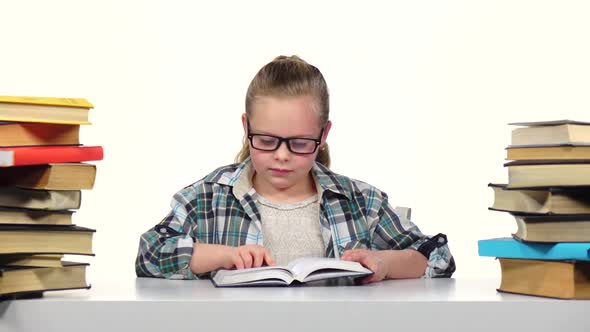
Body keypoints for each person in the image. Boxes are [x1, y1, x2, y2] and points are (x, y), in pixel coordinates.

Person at [135, 55, 455, 282]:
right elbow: (149, 253)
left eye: (300, 143)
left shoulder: (362, 202)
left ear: (323, 135)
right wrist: (224, 257)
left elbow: (437, 256)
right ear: (246, 127)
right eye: (267, 140)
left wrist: (385, 262)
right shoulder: (207, 198)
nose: (282, 156)